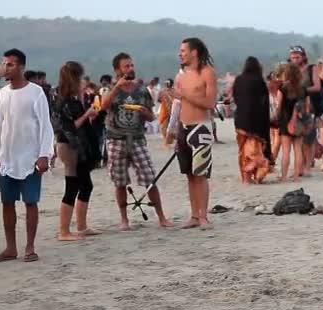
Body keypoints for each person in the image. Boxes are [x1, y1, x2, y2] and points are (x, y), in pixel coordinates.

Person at [100, 52, 172, 230]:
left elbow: (150, 116)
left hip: (138, 139)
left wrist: (143, 112)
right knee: (120, 181)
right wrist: (117, 87)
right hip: (116, 139)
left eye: (132, 65)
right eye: (126, 66)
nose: (131, 69)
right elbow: (103, 106)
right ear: (117, 70)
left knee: (149, 178)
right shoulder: (110, 89)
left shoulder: (141, 90)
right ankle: (124, 220)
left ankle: (161, 217)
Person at [0, 49, 54, 263]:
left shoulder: (36, 92)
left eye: (10, 64)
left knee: (30, 202)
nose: (6, 67)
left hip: (30, 158)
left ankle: (30, 247)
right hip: (7, 157)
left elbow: (45, 125)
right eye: (4, 64)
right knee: (7, 202)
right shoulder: (3, 93)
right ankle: (10, 247)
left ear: (21, 66)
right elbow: (1, 124)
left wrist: (44, 155)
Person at [54, 61, 105, 241]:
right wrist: (86, 115)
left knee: (85, 185)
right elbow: (69, 128)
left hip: (76, 146)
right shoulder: (64, 102)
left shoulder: (72, 100)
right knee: (72, 186)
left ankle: (81, 227)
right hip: (69, 147)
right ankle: (64, 231)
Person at [174, 38, 218, 229]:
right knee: (189, 174)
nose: (180, 53)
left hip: (201, 126)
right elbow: (177, 105)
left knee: (201, 174)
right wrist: (171, 130)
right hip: (183, 127)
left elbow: (210, 103)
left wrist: (185, 95)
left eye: (183, 50)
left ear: (194, 52)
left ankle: (203, 215)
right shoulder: (180, 77)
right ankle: (193, 215)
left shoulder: (207, 73)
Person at [232, 56, 271, 184]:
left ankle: (246, 178)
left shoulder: (238, 80)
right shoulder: (260, 82)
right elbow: (264, 104)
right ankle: (255, 174)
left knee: (243, 151)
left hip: (240, 120)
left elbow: (236, 99)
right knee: (254, 151)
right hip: (256, 122)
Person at [275, 63, 310, 183]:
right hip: (299, 122)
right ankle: (296, 176)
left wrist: (277, 118)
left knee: (286, 151)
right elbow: (307, 107)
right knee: (298, 149)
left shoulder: (283, 88)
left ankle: (284, 177)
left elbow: (279, 106)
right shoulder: (303, 89)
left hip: (285, 121)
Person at [289, 46, 320, 176]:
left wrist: (303, 90)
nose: (295, 59)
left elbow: (317, 87)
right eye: (293, 57)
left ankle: (308, 166)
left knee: (309, 138)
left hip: (309, 106)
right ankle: (299, 166)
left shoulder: (311, 68)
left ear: (303, 57)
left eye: (297, 57)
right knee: (297, 138)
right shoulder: (290, 70)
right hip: (293, 106)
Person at [267, 72, 282, 162]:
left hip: (268, 116)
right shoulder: (278, 88)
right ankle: (271, 161)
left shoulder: (268, 88)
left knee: (273, 139)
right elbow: (278, 105)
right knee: (277, 139)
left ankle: (270, 159)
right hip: (276, 116)